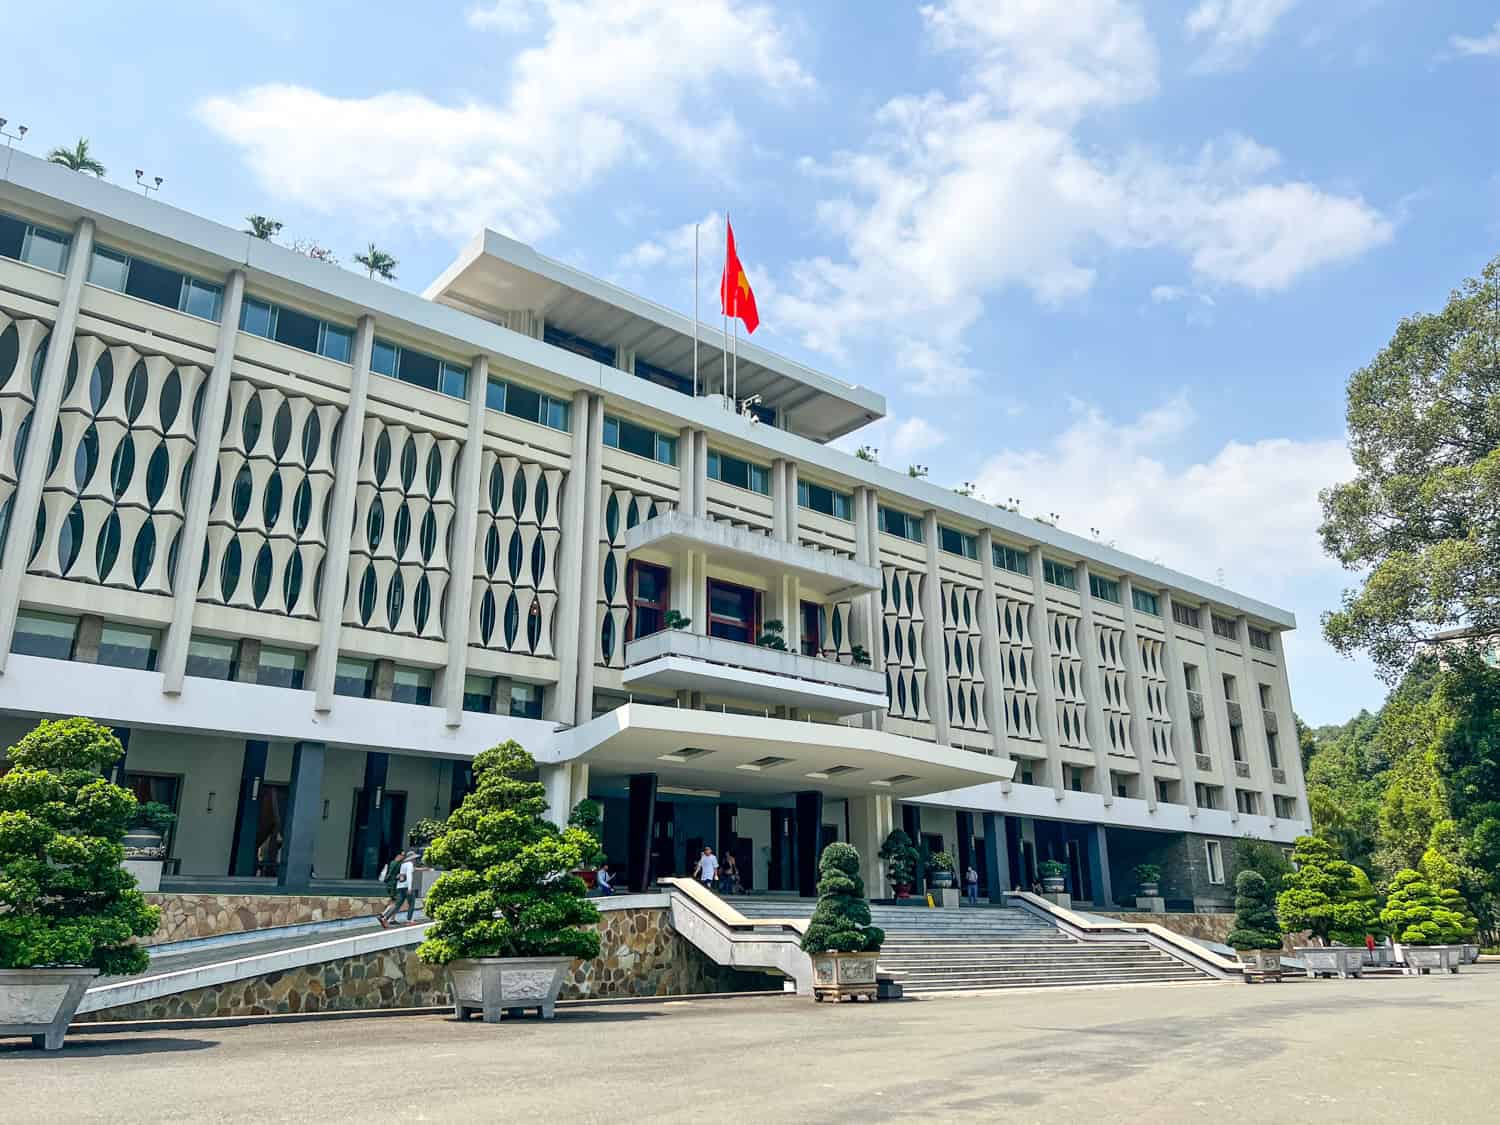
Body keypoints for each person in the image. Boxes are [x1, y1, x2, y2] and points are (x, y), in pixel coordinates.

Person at [378, 849, 418, 927]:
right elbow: (409, 876)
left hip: (400, 887)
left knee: (397, 905)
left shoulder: (402, 864)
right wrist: (410, 887)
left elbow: (400, 875)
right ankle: (409, 920)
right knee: (411, 904)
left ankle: (385, 918)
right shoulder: (409, 864)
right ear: (412, 858)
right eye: (415, 858)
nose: (415, 860)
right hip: (406, 887)